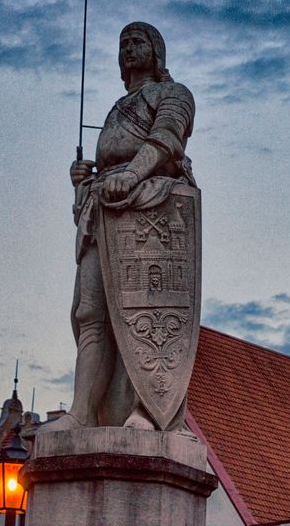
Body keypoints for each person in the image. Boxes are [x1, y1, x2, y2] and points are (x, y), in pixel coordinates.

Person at [44, 22, 196, 432]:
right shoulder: (117, 106)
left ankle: (147, 408)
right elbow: (110, 159)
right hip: (105, 209)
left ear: (156, 51)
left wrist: (131, 175)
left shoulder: (173, 95)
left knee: (144, 316)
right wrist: (85, 179)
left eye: (138, 41)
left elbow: (166, 140)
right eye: (124, 43)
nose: (129, 48)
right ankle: (80, 412)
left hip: (150, 206)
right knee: (90, 311)